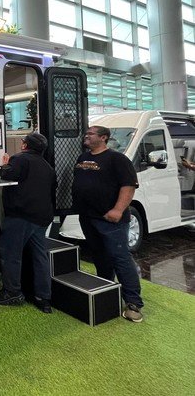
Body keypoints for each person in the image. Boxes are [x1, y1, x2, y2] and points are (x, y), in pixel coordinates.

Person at [72, 125, 144, 323]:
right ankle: (106, 291)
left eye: (91, 133)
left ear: (103, 137)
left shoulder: (117, 159)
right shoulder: (82, 158)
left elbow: (129, 186)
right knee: (100, 256)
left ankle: (133, 303)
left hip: (110, 219)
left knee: (120, 258)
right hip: (88, 217)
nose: (86, 136)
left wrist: (118, 210)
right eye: (86, 133)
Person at [0, 132, 57, 313]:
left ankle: (12, 292)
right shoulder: (47, 166)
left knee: (11, 253)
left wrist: (5, 165)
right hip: (42, 217)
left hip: (21, 216)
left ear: (25, 145)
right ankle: (43, 298)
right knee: (40, 256)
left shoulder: (19, 159)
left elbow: (6, 175)